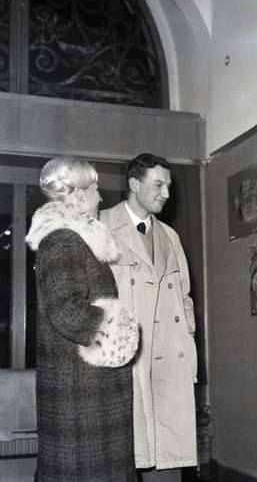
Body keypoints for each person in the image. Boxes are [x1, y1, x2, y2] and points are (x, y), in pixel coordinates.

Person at [26, 156, 139, 482]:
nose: (100, 197)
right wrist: (120, 332)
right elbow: (65, 310)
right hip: (82, 396)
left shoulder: (72, 239)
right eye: (95, 189)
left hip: (85, 390)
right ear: (77, 194)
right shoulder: (63, 240)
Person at [100, 153, 197, 481]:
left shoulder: (170, 236)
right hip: (127, 364)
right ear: (134, 184)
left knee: (167, 463)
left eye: (168, 186)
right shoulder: (101, 226)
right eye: (158, 185)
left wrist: (187, 334)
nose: (166, 194)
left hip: (168, 362)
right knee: (123, 460)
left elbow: (184, 296)